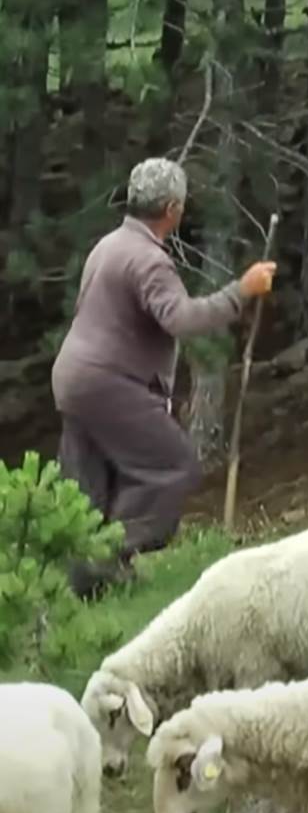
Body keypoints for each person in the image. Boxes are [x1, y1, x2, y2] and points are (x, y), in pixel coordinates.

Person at [50, 157, 278, 599]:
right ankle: (109, 558)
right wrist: (242, 291)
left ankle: (85, 588)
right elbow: (182, 319)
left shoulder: (108, 246)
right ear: (173, 208)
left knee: (90, 488)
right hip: (107, 382)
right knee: (172, 465)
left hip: (73, 378)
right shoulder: (148, 261)